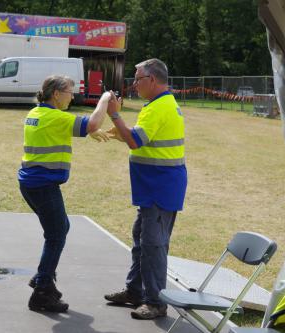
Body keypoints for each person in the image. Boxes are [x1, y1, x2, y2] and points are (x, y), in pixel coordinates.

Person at [18, 75, 112, 313]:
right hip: (43, 185)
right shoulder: (55, 117)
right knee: (57, 233)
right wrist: (104, 99)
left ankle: (44, 277)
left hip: (31, 183)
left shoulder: (36, 113)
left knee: (59, 230)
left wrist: (89, 130)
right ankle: (41, 291)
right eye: (71, 92)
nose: (74, 96)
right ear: (57, 94)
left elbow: (74, 127)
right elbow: (91, 123)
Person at [103, 58, 187, 320]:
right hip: (155, 186)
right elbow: (142, 137)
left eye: (137, 79)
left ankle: (155, 302)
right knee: (141, 239)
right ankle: (134, 291)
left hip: (159, 187)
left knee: (153, 245)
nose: (133, 84)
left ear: (151, 80)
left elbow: (136, 141)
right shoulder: (160, 104)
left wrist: (115, 114)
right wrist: (120, 131)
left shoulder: (157, 108)